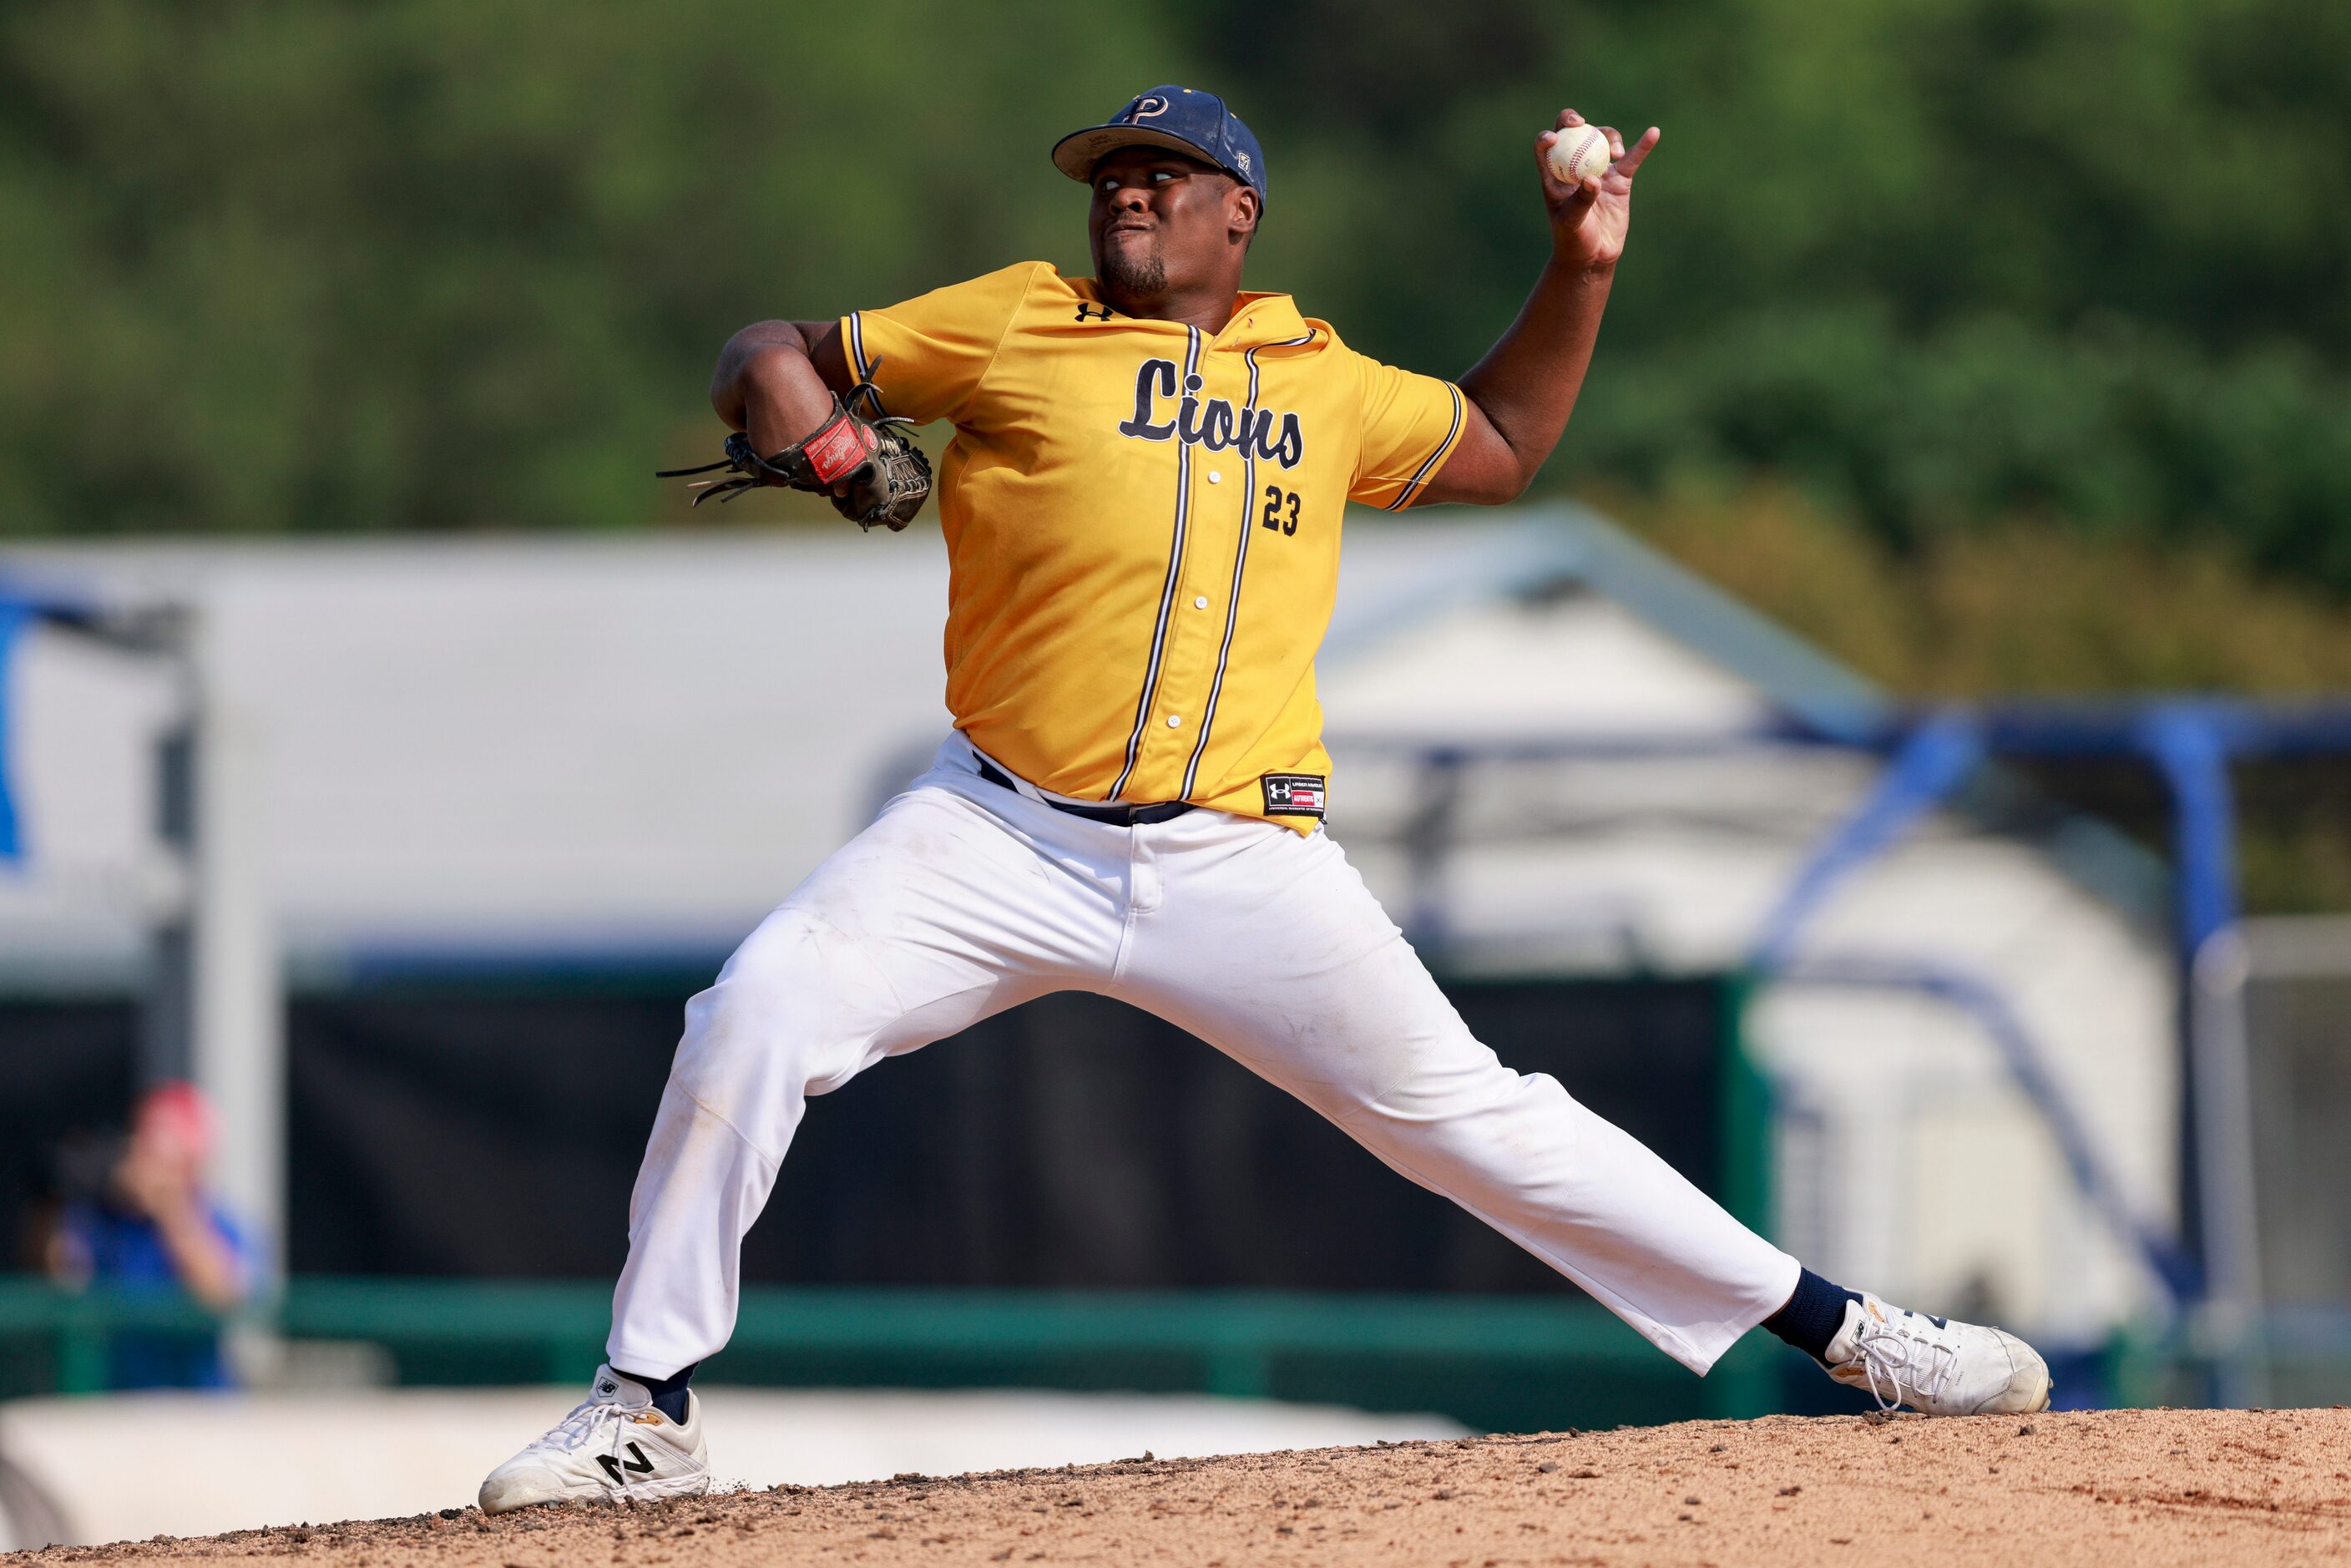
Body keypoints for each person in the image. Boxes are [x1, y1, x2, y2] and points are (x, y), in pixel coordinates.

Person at [479, 86, 2049, 1512]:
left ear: (1243, 214)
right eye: (1110, 174)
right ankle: (647, 1409)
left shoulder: (1322, 377)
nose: (1126, 195)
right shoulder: (1018, 322)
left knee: (1480, 1120)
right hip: (995, 829)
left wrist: (1581, 264)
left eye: (1164, 174)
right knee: (749, 1011)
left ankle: (1855, 1334)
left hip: (1244, 855)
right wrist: (818, 432)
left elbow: (1501, 439)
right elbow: (762, 350)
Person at [48, 1081, 255, 1389]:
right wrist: (65, 1193)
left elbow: (224, 1296)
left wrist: (170, 1207)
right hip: (123, 1407)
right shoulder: (109, 1223)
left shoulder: (221, 1223)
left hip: (199, 1410)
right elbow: (65, 1281)